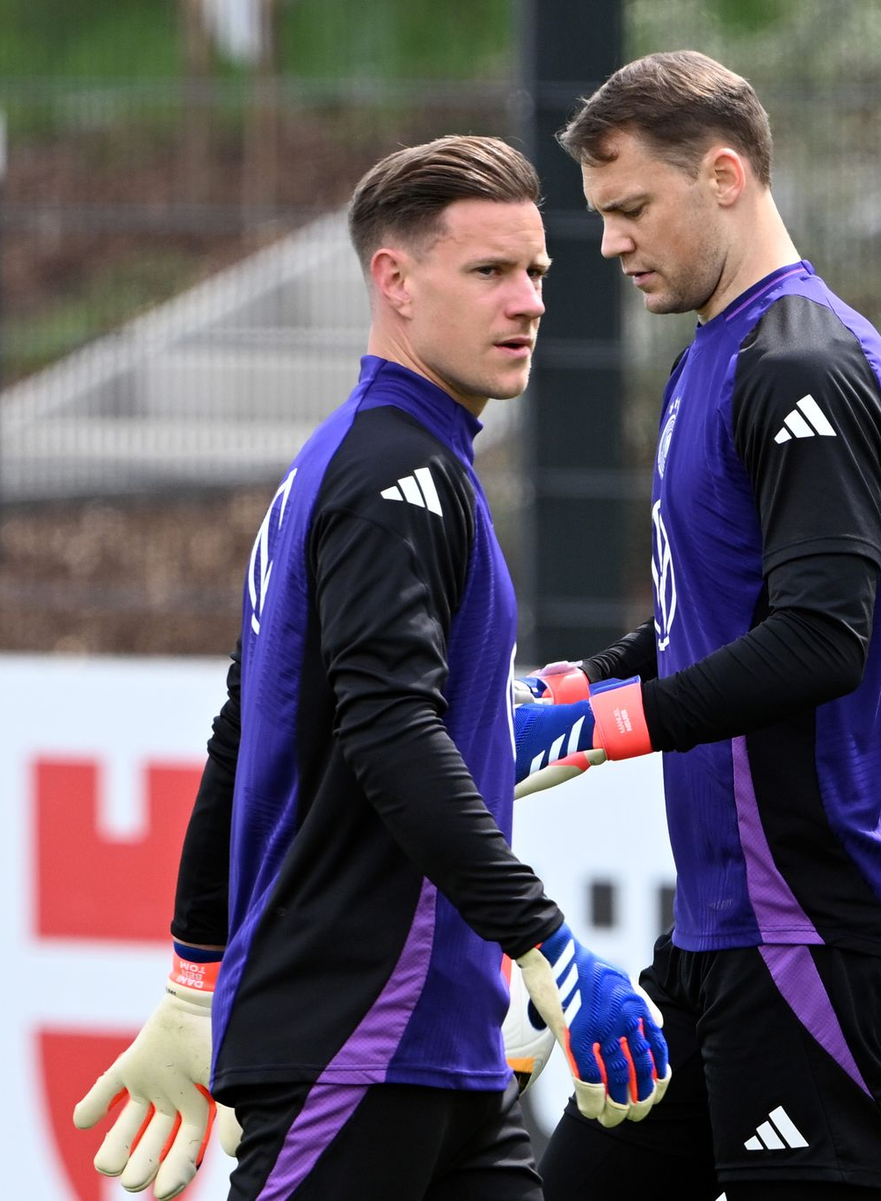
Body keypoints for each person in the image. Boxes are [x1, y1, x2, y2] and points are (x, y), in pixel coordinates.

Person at [71, 135, 669, 1201]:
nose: (529, 301)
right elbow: (391, 732)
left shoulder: (378, 461)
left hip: (446, 1055)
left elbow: (245, 733)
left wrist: (195, 971)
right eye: (490, 271)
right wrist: (548, 945)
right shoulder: (391, 473)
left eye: (536, 271)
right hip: (358, 1040)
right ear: (394, 280)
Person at [512, 51, 881, 1201]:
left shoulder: (800, 360)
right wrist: (586, 681)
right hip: (725, 931)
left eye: (630, 208)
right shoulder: (714, 352)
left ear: (723, 176)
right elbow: (712, 617)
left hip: (814, 925)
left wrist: (607, 725)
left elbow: (819, 639)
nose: (608, 242)